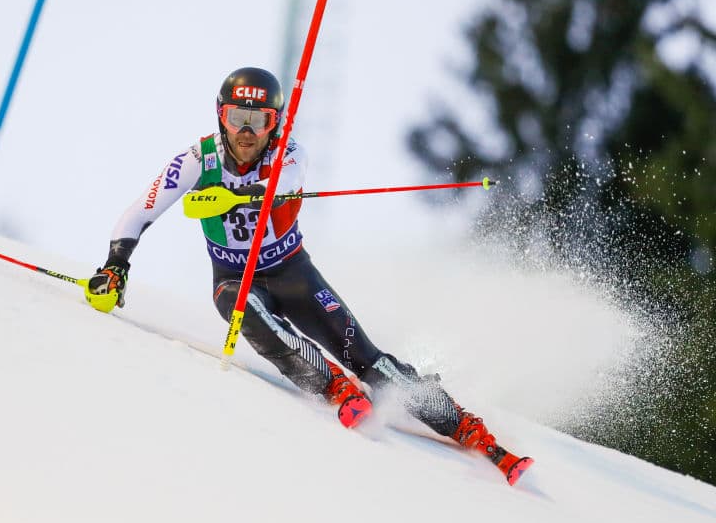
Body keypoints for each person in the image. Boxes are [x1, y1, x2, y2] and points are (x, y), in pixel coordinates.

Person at [86, 67, 531, 482]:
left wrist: (242, 196)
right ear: (220, 118)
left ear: (274, 123)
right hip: (235, 277)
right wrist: (116, 265)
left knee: (369, 359)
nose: (246, 132)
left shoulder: (289, 152)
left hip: (292, 272)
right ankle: (333, 386)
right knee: (241, 308)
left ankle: (466, 428)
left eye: (258, 121)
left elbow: (286, 184)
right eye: (236, 118)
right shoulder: (197, 160)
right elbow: (141, 211)